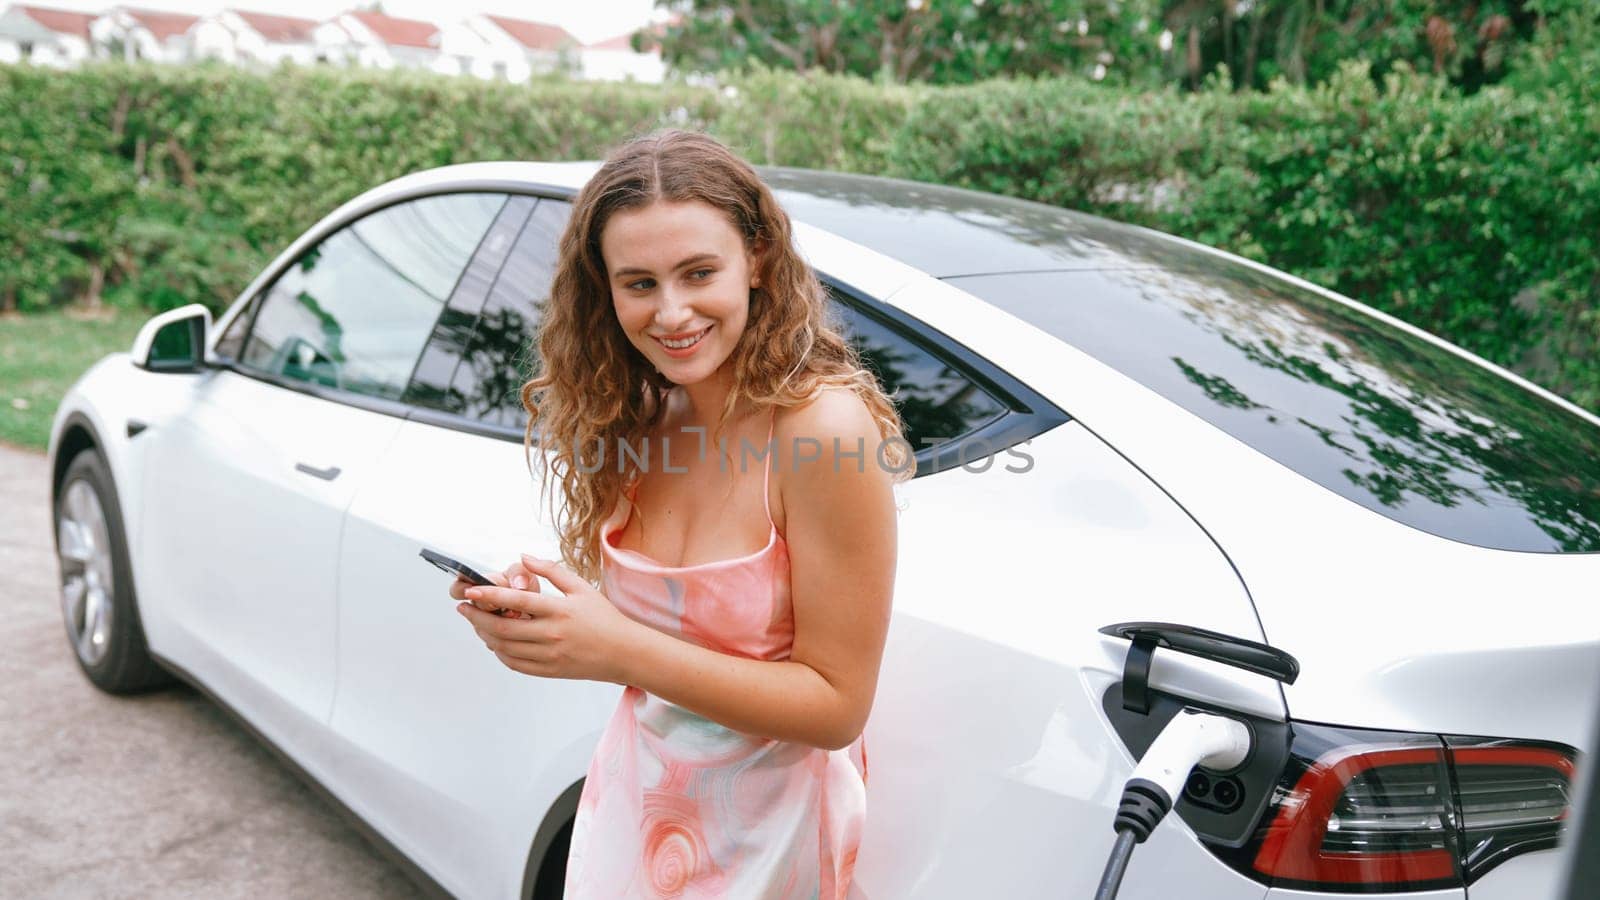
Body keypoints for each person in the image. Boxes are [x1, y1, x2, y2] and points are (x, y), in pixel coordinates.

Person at [447, 128, 912, 899]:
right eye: (639, 284)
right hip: (635, 817)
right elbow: (665, 646)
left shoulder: (821, 430)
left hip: (765, 848)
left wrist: (616, 648)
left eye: (699, 273)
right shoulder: (643, 419)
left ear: (757, 258)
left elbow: (837, 707)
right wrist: (552, 623)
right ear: (604, 287)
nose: (671, 313)